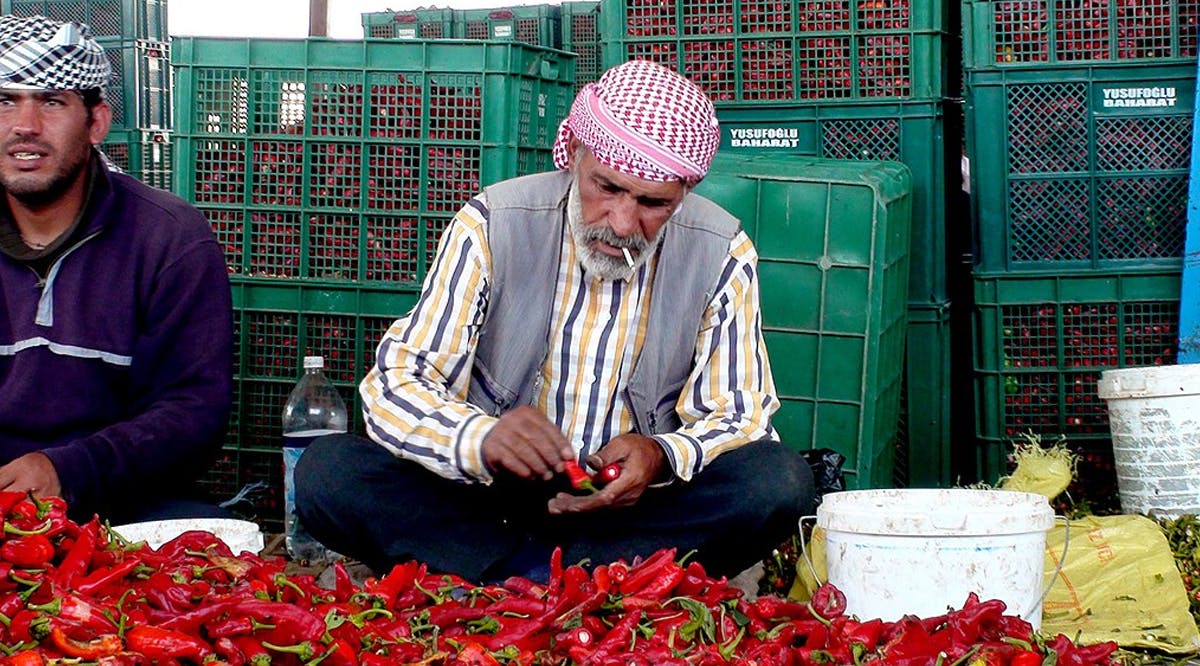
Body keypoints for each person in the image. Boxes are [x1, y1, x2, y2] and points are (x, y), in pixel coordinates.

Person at [297, 59, 815, 581]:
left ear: (682, 196)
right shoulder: (494, 224)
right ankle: (573, 577)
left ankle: (516, 576)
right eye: (606, 188)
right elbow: (395, 385)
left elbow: (740, 415)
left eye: (652, 203)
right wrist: (480, 438)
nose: (622, 223)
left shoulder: (721, 251)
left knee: (779, 482)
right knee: (328, 471)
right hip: (488, 501)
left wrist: (661, 454)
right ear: (576, 155)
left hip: (632, 509)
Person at [0, 15, 234, 523]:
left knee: (208, 532)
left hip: (117, 503)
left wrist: (69, 470)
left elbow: (195, 412)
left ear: (97, 123)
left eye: (52, 102)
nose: (24, 125)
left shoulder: (169, 238)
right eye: (5, 100)